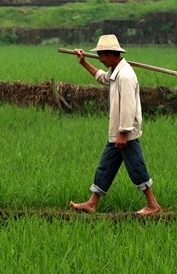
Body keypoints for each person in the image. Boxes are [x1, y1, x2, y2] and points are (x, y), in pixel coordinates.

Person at [69, 34, 161, 216]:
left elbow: (129, 107)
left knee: (136, 167)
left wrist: (123, 133)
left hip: (125, 134)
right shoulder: (115, 71)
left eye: (102, 55)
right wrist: (84, 63)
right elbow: (103, 78)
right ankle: (92, 203)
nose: (101, 59)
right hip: (117, 133)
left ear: (111, 54)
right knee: (106, 167)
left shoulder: (125, 76)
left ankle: (153, 205)